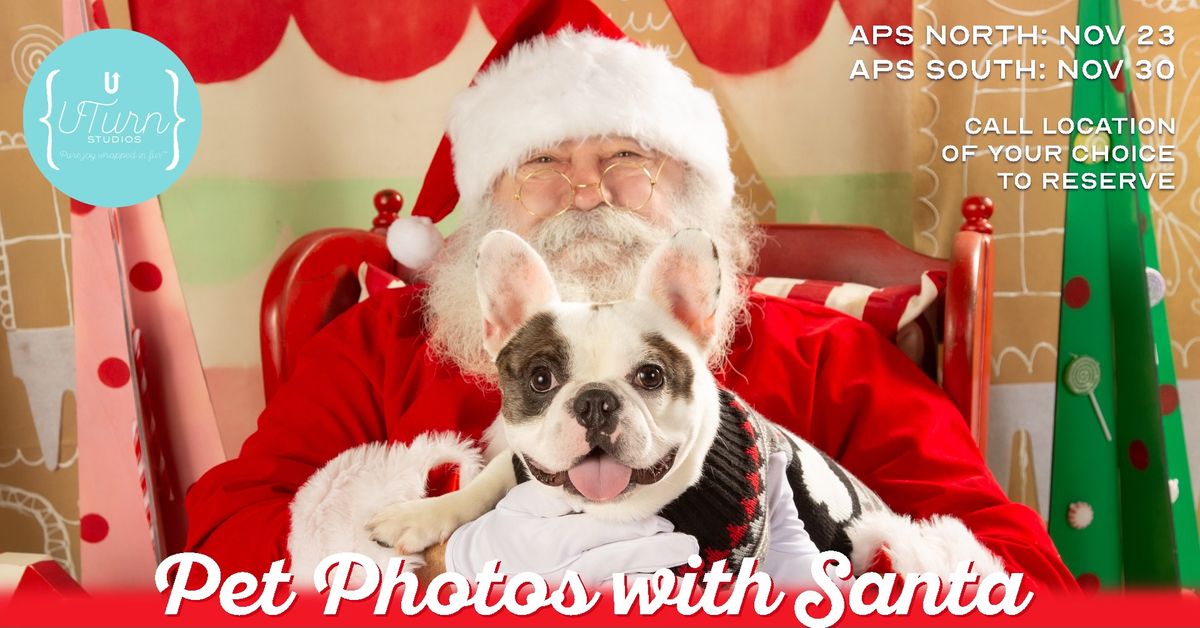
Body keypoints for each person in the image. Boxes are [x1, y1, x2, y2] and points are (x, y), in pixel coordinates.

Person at [184, 0, 1077, 591]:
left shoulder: (824, 353)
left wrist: (797, 568)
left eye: (625, 159)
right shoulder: (381, 343)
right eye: (542, 164)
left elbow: (1021, 577)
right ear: (489, 201)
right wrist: (447, 547)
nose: (587, 191)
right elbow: (225, 539)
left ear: (685, 191)